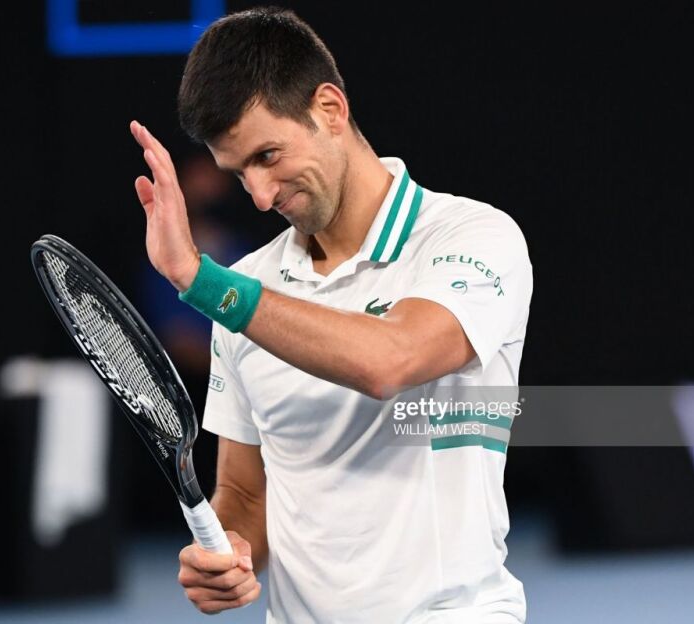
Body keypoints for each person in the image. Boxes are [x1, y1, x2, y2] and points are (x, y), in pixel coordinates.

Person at [129, 7, 532, 623]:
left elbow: (390, 359)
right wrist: (230, 551)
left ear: (330, 109)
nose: (260, 195)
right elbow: (245, 494)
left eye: (268, 155)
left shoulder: (476, 236)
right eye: (240, 174)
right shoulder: (246, 287)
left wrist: (203, 281)